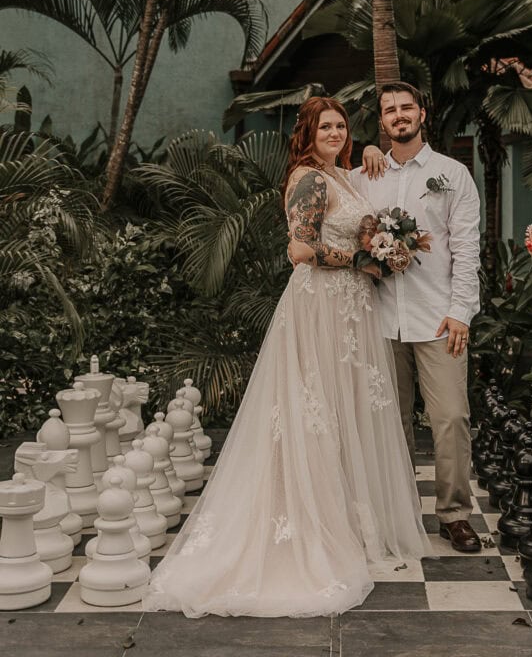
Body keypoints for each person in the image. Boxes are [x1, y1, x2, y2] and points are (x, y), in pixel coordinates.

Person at [143, 97, 429, 619]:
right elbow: (300, 251)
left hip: (351, 311)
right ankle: (309, 527)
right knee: (314, 413)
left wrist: (382, 243)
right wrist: (364, 259)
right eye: (326, 126)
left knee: (345, 414)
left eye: (342, 125)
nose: (336, 133)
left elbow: (364, 200)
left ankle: (348, 521)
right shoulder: (308, 179)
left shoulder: (340, 176)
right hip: (319, 306)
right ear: (308, 132)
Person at [352, 82, 482, 554]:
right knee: (391, 422)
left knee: (450, 418)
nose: (399, 115)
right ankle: (399, 512)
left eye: (407, 107)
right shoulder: (364, 176)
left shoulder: (452, 174)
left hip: (437, 320)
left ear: (422, 114)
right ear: (382, 122)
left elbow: (467, 249)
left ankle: (454, 514)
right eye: (390, 110)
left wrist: (460, 312)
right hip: (379, 320)